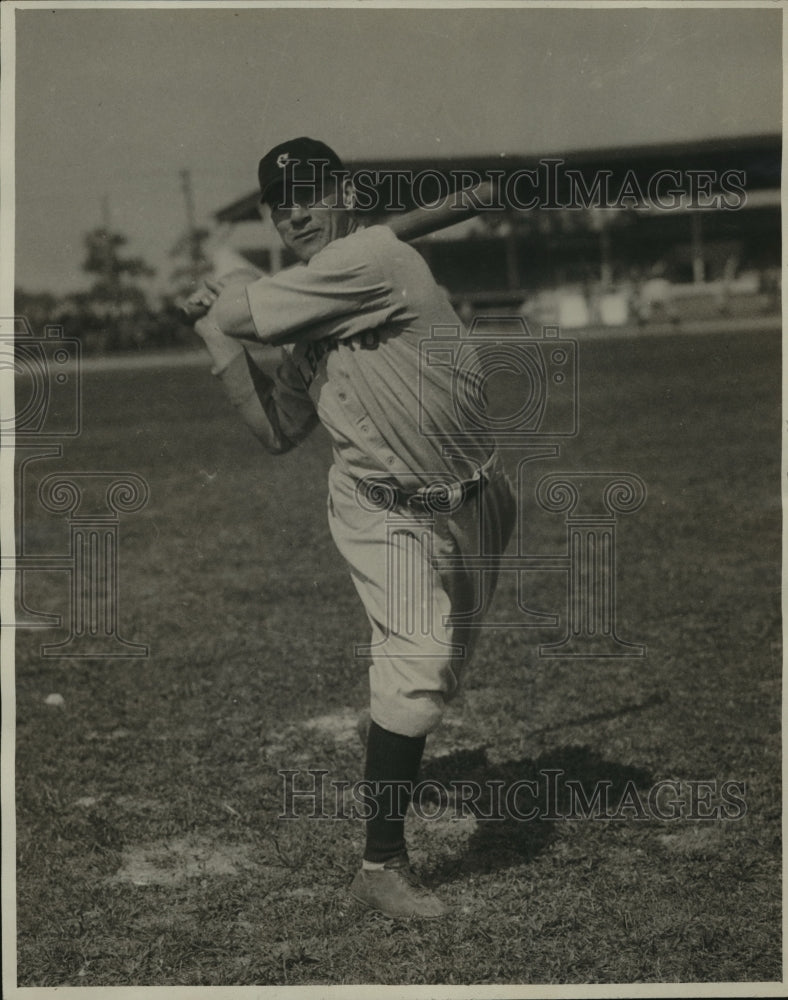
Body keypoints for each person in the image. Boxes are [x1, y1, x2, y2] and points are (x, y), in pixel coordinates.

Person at [190, 137, 516, 919]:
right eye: (281, 203)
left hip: (480, 502)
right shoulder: (312, 303)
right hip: (379, 508)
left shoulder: (374, 257)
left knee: (436, 675)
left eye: (310, 192)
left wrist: (225, 296)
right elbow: (278, 431)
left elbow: (243, 310)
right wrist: (215, 340)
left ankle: (397, 753)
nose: (296, 211)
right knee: (418, 661)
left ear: (344, 192)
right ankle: (381, 867)